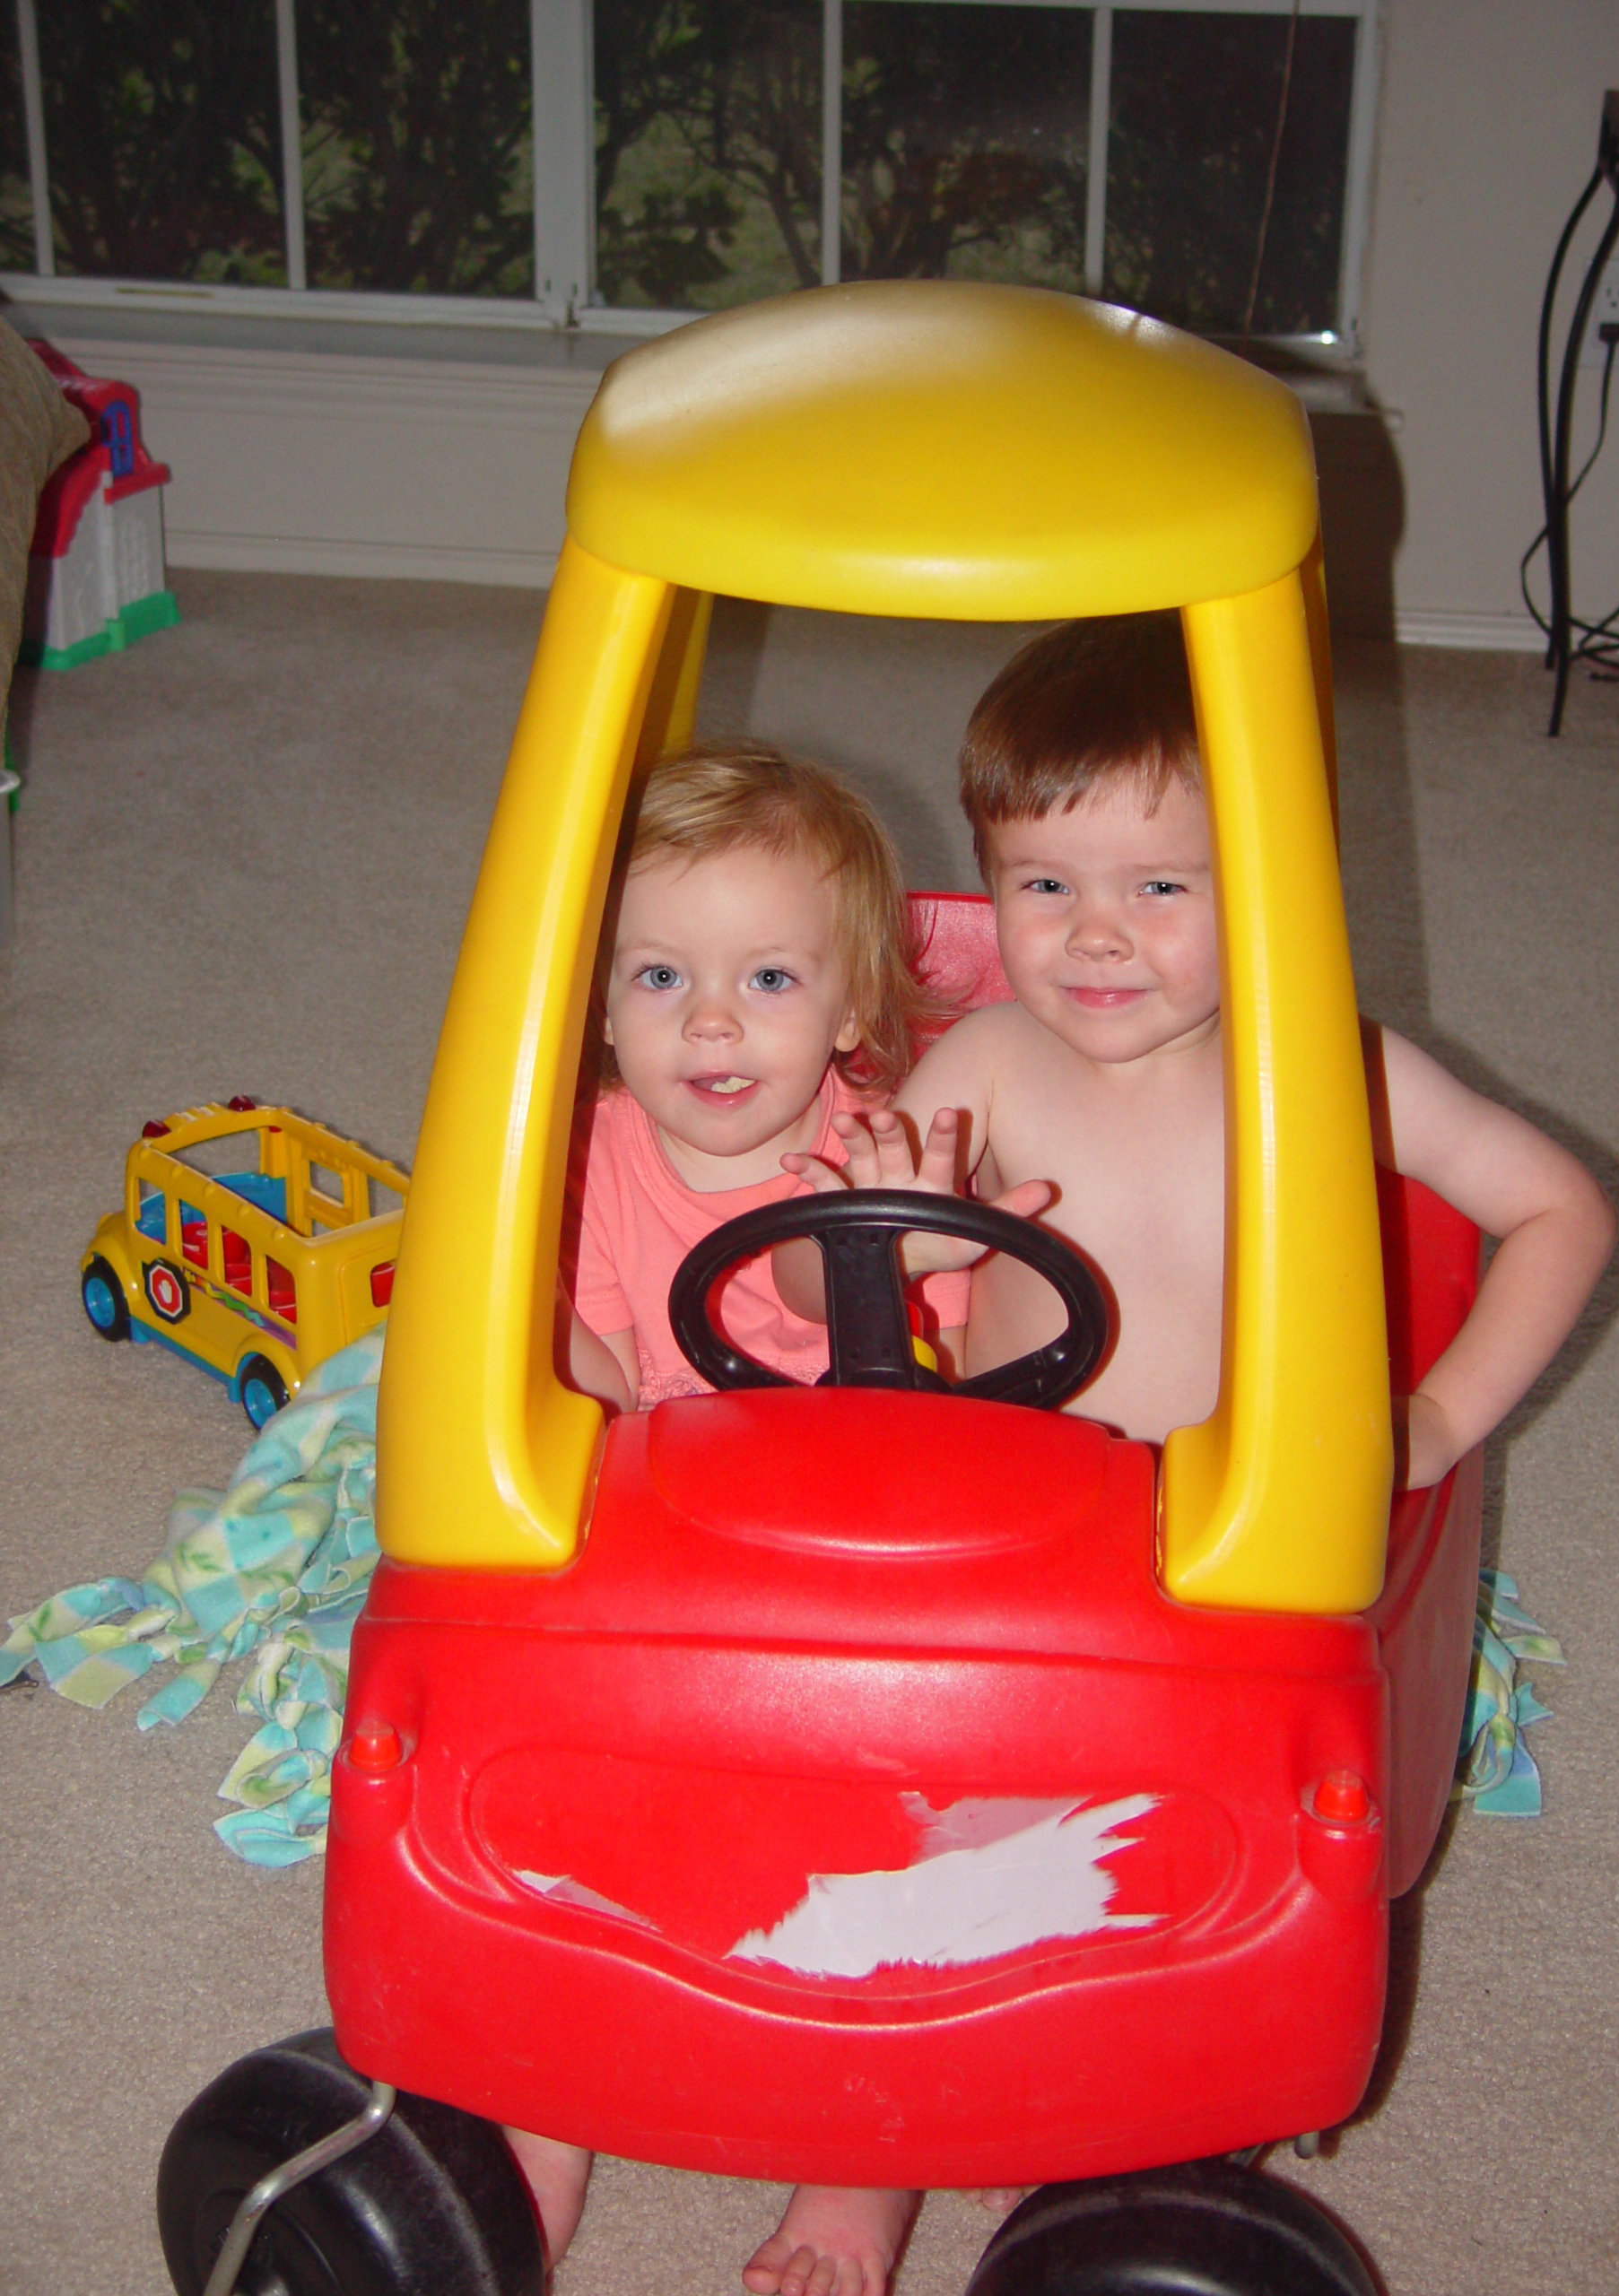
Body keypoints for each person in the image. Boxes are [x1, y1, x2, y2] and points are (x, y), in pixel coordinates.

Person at [520, 740, 1015, 2296]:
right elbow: (586, 1363)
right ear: (595, 1006)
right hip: (665, 1550)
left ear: (857, 1013)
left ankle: (858, 2175)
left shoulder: (872, 1146)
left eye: (769, 980)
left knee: (904, 1846)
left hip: (863, 1567)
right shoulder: (589, 1152)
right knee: (550, 1805)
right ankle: (544, 2108)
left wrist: (916, 1227)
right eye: (659, 975)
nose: (712, 1023)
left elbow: (873, 1318)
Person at [781, 611, 1617, 1493]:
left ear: (1269, 883)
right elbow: (802, 1278)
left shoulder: (1330, 1070)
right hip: (1009, 1498)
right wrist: (884, 1245)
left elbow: (1562, 1211)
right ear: (991, 879)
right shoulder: (984, 1063)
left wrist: (1442, 1417)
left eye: (1159, 886)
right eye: (1047, 884)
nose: (1095, 935)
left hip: (1253, 1522)